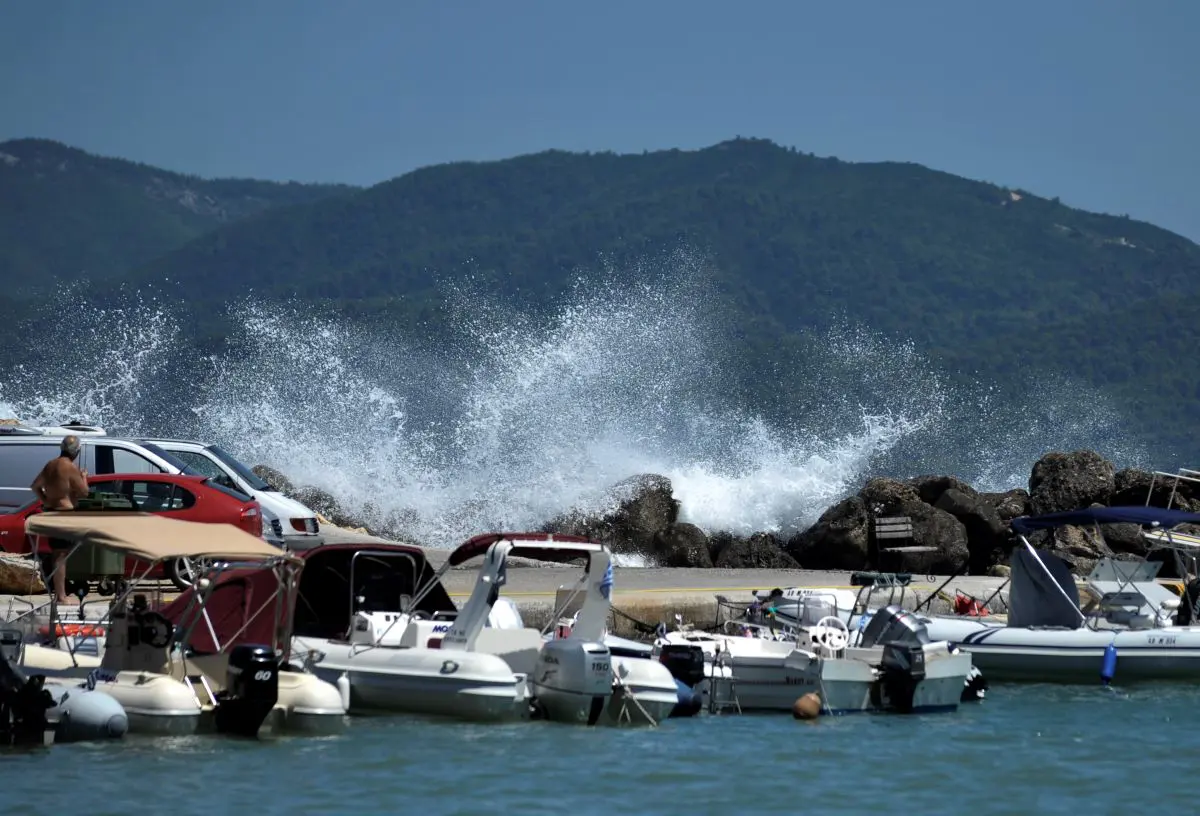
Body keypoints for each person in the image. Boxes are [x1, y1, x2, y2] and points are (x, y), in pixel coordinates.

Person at [30, 435, 89, 604]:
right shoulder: (69, 466)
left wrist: (46, 500)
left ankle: (60, 594)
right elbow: (84, 492)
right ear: (76, 451)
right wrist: (84, 475)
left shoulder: (51, 465)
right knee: (61, 555)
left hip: (52, 511)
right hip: (65, 513)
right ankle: (61, 596)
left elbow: (35, 486)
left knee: (58, 554)